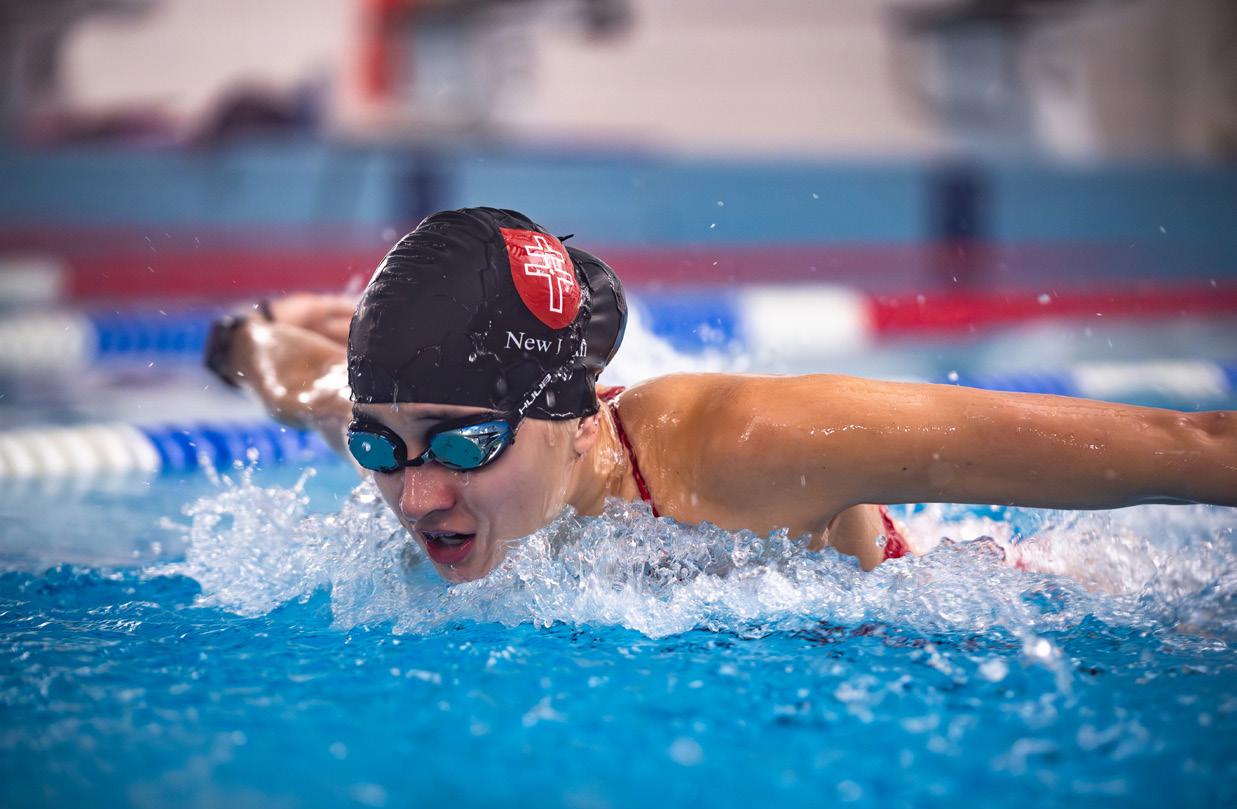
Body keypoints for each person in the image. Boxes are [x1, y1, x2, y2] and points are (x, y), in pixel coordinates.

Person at [204, 207, 1237, 582]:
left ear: (578, 415)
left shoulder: (746, 444)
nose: (417, 496)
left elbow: (1190, 445)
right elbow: (286, 373)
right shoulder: (402, 428)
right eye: (378, 448)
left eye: (465, 444)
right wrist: (251, 331)